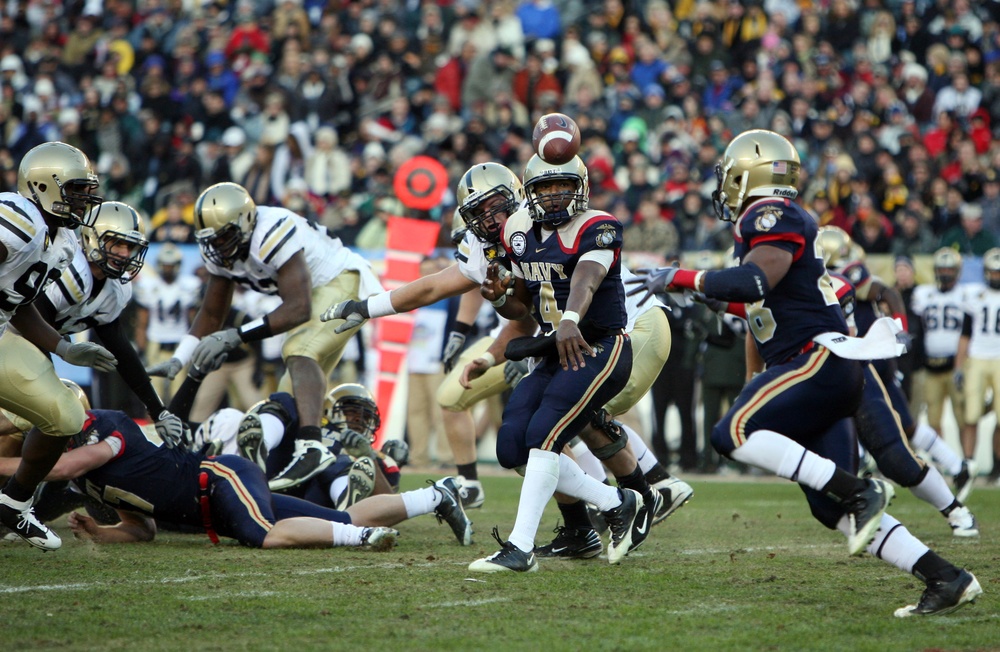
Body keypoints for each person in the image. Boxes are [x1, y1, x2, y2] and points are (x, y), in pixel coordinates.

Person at [628, 129, 981, 616]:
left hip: (816, 360)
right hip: (820, 369)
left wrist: (685, 276)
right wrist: (699, 293)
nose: (725, 187)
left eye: (730, 176)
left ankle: (864, 490)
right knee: (828, 505)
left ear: (749, 176)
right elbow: (760, 299)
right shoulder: (766, 225)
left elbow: (755, 280)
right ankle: (945, 576)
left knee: (730, 432)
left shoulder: (769, 213)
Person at [461, 154, 660, 572]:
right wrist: (499, 295)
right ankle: (617, 502)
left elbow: (587, 276)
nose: (553, 197)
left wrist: (570, 320)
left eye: (562, 186)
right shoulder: (518, 233)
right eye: (543, 189)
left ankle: (520, 547)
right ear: (528, 195)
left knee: (544, 435)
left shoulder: (598, 225)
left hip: (598, 346)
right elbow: (521, 306)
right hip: (554, 350)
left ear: (581, 188)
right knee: (511, 444)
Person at [146, 182, 384, 492]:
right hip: (317, 296)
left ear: (246, 222)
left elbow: (298, 308)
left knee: (298, 350)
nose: (218, 247)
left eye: (224, 236)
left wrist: (237, 336)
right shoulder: (224, 252)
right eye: (211, 240)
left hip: (342, 281)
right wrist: (180, 356)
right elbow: (212, 313)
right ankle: (333, 484)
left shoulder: (270, 230)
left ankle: (312, 447)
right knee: (289, 401)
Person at [323, 163, 527, 509]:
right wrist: (369, 306)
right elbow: (434, 288)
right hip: (528, 332)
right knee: (509, 428)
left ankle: (625, 490)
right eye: (479, 212)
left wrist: (530, 350)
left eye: (495, 206)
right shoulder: (483, 247)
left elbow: (551, 300)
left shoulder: (537, 229)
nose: (490, 219)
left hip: (587, 328)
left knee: (548, 428)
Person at [0, 409, 472, 550]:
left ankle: (363, 537)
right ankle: (433, 496)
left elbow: (56, 469)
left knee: (263, 537)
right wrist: (102, 531)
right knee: (336, 514)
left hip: (220, 478)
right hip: (213, 505)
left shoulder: (112, 428)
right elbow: (143, 527)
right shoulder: (91, 477)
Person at [0, 142, 120, 552]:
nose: (85, 199)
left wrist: (63, 348)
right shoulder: (19, 218)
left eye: (87, 191)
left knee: (66, 414)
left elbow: (17, 301)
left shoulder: (64, 239)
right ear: (43, 186)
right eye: (76, 190)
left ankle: (13, 504)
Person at [31, 201, 185, 448]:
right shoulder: (70, 268)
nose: (125, 254)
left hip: (26, 345)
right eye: (118, 243)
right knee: (59, 412)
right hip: (10, 336)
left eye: (131, 246)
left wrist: (159, 411)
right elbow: (32, 330)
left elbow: (121, 351)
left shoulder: (117, 287)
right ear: (92, 238)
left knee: (68, 416)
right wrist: (64, 350)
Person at [910, 248, 974, 499]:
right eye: (941, 269)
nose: (945, 274)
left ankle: (965, 465)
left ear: (957, 271)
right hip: (931, 367)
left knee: (962, 418)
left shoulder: (967, 294)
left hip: (956, 367)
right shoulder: (923, 294)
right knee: (934, 421)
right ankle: (947, 465)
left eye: (949, 269)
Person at [954, 248, 1000, 498]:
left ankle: (996, 467)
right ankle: (969, 464)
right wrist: (959, 367)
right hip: (978, 357)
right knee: (971, 414)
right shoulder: (975, 295)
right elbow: (965, 335)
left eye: (998, 272)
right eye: (992, 271)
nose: (995, 276)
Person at [133, 243, 202, 403]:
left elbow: (193, 321)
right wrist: (141, 349)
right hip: (155, 343)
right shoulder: (149, 286)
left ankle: (177, 425)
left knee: (178, 394)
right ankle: (152, 426)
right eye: (165, 265)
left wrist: (195, 346)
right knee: (152, 394)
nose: (168, 268)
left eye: (171, 265)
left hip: (180, 343)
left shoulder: (189, 286)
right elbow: (142, 322)